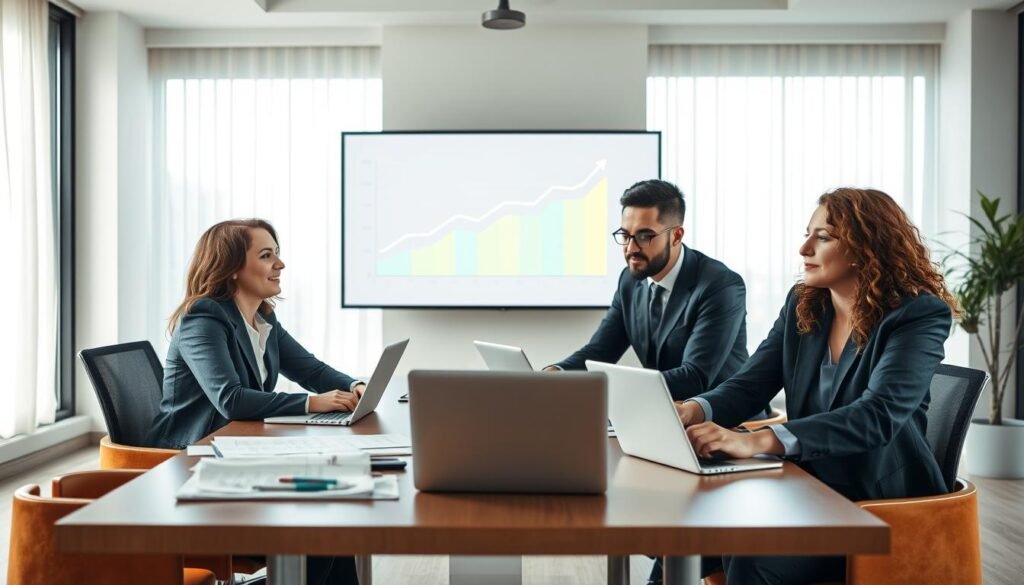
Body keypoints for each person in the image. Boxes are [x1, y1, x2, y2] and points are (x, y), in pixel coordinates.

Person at [675, 187, 958, 585]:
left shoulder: (917, 314)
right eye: (808, 233)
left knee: (753, 559)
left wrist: (759, 440)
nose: (804, 247)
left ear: (867, 246)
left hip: (879, 502)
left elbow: (877, 416)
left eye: (823, 237)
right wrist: (696, 408)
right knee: (697, 528)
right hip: (807, 484)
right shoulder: (805, 302)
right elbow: (752, 382)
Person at [145, 218, 361, 585]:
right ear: (231, 269)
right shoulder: (203, 318)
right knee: (322, 530)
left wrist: (355, 385)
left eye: (277, 254)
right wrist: (313, 404)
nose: (280, 264)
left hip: (239, 457)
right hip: (192, 469)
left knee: (333, 521)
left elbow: (311, 369)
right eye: (266, 255)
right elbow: (231, 399)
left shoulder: (262, 318)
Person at [546, 179, 758, 407]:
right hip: (662, 412)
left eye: (645, 236)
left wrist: (605, 387)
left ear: (676, 236)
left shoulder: (720, 285)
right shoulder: (629, 280)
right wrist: (555, 374)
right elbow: (600, 351)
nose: (631, 248)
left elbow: (694, 376)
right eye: (625, 235)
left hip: (726, 422)